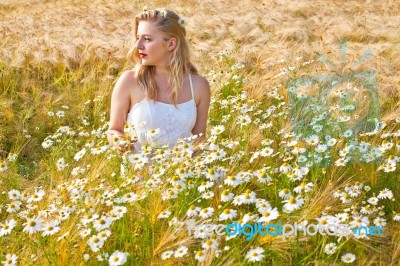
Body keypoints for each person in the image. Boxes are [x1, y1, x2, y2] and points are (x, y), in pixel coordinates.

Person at [107, 8, 211, 155]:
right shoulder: (129, 81)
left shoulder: (199, 86)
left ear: (171, 44)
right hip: (139, 173)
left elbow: (199, 140)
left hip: (183, 174)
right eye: (138, 37)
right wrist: (119, 140)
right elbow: (114, 130)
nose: (138, 46)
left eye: (147, 39)